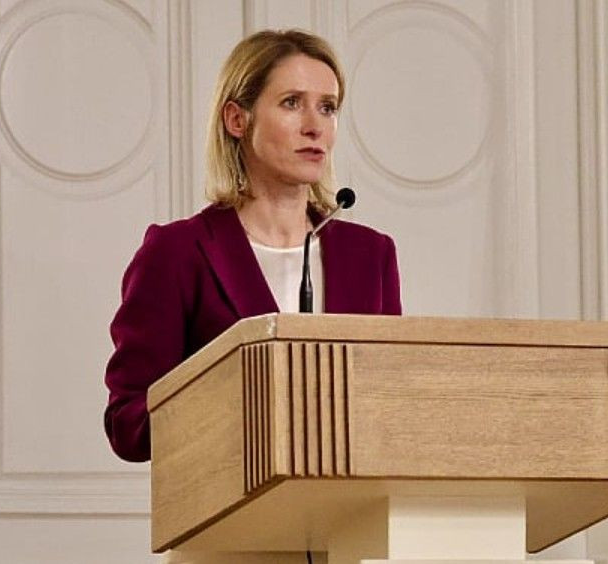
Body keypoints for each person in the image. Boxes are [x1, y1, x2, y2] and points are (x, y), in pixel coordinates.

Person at [102, 29, 402, 563]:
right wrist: (236, 394)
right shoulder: (178, 252)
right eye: (291, 103)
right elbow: (129, 425)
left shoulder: (369, 254)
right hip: (228, 546)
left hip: (351, 543)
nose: (315, 126)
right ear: (237, 119)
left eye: (328, 107)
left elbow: (393, 404)